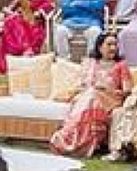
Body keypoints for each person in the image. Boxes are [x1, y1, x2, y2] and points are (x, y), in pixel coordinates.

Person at [50, 28, 131, 159]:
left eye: (115, 44)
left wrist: (106, 89)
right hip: (89, 99)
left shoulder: (121, 65)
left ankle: (74, 141)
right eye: (109, 44)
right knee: (90, 96)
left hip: (111, 99)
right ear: (100, 47)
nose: (113, 48)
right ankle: (74, 142)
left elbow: (127, 91)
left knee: (92, 95)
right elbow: (82, 85)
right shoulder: (90, 63)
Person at [0, 0, 50, 75]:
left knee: (21, 24)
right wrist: (15, 6)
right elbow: (6, 8)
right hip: (16, 23)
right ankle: (26, 50)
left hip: (35, 23)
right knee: (13, 21)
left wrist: (39, 12)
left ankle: (27, 50)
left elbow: (49, 6)